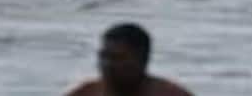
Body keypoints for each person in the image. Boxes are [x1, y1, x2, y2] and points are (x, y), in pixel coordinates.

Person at [64, 23, 192, 96]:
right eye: (103, 56)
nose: (107, 65)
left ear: (142, 60)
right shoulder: (87, 92)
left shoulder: (169, 94)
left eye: (118, 58)